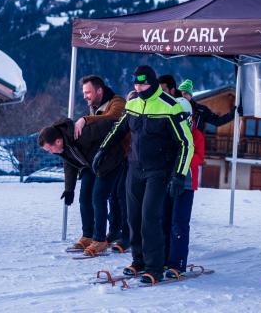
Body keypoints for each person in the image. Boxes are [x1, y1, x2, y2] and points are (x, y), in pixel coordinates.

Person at [93, 65, 194, 284]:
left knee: (150, 218)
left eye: (142, 83)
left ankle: (154, 266)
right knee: (133, 218)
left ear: (152, 83)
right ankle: (138, 260)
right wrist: (103, 150)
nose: (138, 87)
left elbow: (186, 143)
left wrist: (179, 174)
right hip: (135, 169)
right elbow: (118, 129)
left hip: (159, 172)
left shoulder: (171, 106)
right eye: (135, 83)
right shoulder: (133, 103)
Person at [38, 117, 124, 256]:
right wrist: (69, 189)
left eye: (50, 149)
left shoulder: (80, 133)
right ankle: (88, 236)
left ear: (58, 141)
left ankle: (100, 240)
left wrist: (106, 150)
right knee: (84, 199)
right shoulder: (62, 148)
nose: (51, 152)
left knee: (98, 198)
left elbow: (111, 123)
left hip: (109, 162)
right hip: (89, 165)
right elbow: (70, 165)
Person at [73, 75, 129, 248]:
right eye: (84, 93)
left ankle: (107, 237)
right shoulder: (93, 106)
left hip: (120, 157)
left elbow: (113, 118)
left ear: (99, 91)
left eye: (88, 92)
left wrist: (85, 119)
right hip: (98, 159)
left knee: (114, 198)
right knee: (86, 197)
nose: (85, 96)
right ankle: (88, 235)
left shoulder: (117, 101)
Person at [163, 79, 206, 278]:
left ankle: (177, 263)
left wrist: (182, 162)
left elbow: (198, 158)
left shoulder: (196, 135)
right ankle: (163, 259)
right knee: (165, 221)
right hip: (168, 181)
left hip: (186, 183)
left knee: (179, 224)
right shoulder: (171, 133)